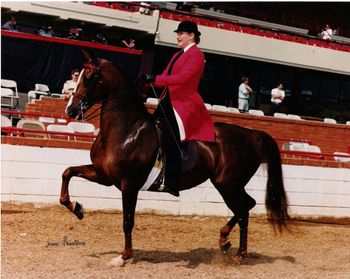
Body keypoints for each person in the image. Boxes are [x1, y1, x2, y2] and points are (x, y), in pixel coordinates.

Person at [137, 21, 215, 197]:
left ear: (192, 36)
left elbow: (183, 78)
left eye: (181, 33)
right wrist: (149, 80)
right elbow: (166, 75)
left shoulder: (197, 55)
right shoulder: (177, 54)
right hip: (167, 100)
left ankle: (171, 182)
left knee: (171, 135)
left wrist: (155, 77)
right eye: (177, 33)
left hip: (184, 104)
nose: (178, 37)